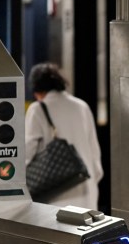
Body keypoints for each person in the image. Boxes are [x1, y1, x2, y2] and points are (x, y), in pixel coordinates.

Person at [25, 62, 104, 209]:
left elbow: (26, 153)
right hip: (88, 194)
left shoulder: (38, 109)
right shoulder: (82, 106)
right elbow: (96, 161)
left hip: (55, 196)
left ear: (37, 90)